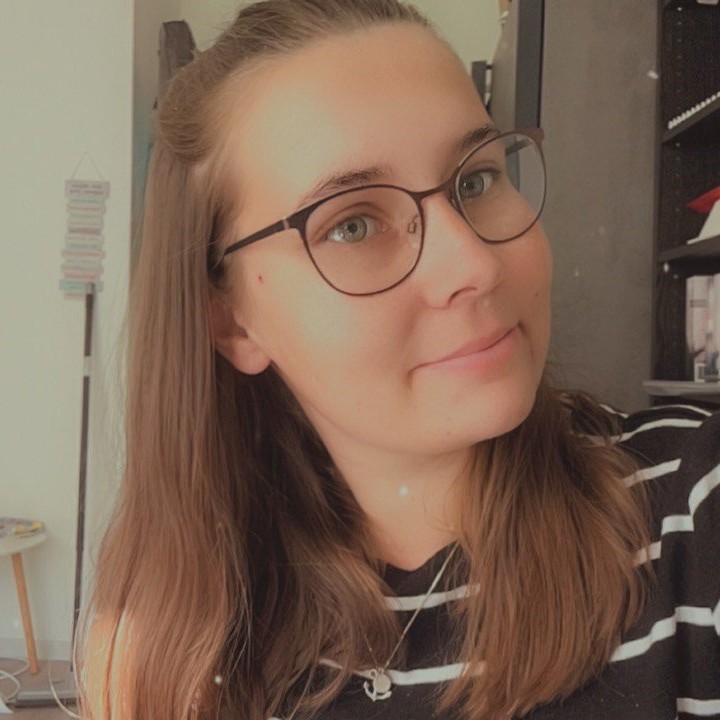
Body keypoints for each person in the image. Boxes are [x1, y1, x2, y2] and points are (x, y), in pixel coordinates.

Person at [78, 1, 720, 719]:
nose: (474, 264)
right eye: (353, 224)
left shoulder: (695, 512)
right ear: (231, 321)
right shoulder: (173, 647)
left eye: (476, 180)